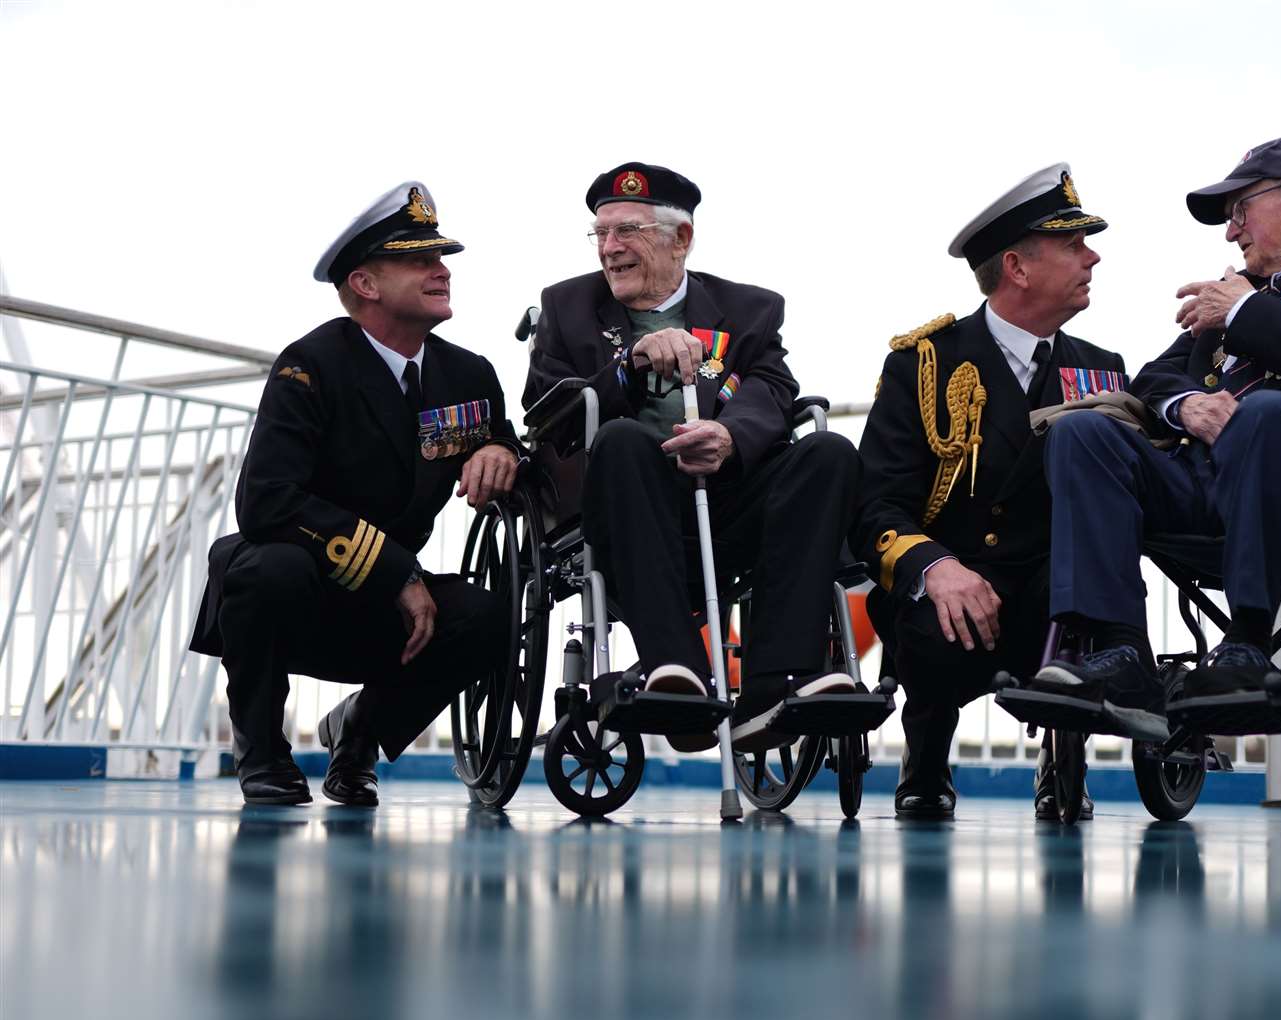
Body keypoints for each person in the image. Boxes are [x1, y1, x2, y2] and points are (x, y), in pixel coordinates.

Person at [1038, 138, 1281, 702]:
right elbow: (1153, 377)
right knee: (1081, 431)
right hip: (1197, 482)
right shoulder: (1233, 293)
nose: (1230, 231)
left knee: (1267, 411)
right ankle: (1119, 648)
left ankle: (1246, 642)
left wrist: (1245, 311)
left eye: (1240, 210)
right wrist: (1187, 405)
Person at [189, 182, 521, 806]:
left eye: (440, 258)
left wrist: (500, 450)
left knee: (490, 615)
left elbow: (503, 444)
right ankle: (262, 754)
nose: (441, 270)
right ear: (366, 285)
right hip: (300, 592)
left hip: (389, 611)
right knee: (266, 565)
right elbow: (265, 500)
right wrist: (396, 571)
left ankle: (359, 736)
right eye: (420, 260)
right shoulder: (310, 365)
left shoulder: (467, 375)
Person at [522, 162, 862, 754]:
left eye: (628, 231)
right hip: (620, 511)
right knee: (624, 439)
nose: (610, 248)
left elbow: (772, 389)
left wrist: (729, 438)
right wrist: (627, 367)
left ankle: (775, 686)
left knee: (828, 451)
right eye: (600, 234)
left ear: (682, 240)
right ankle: (675, 672)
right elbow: (544, 413)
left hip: (727, 501)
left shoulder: (749, 310)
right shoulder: (567, 307)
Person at [853, 164, 1126, 819]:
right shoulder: (925, 362)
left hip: (1050, 591)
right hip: (951, 585)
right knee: (931, 613)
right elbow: (875, 505)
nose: (1092, 256)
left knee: (1083, 598)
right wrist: (935, 567)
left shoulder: (1100, 369)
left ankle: (1065, 756)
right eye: (1072, 245)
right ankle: (925, 760)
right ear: (1017, 267)